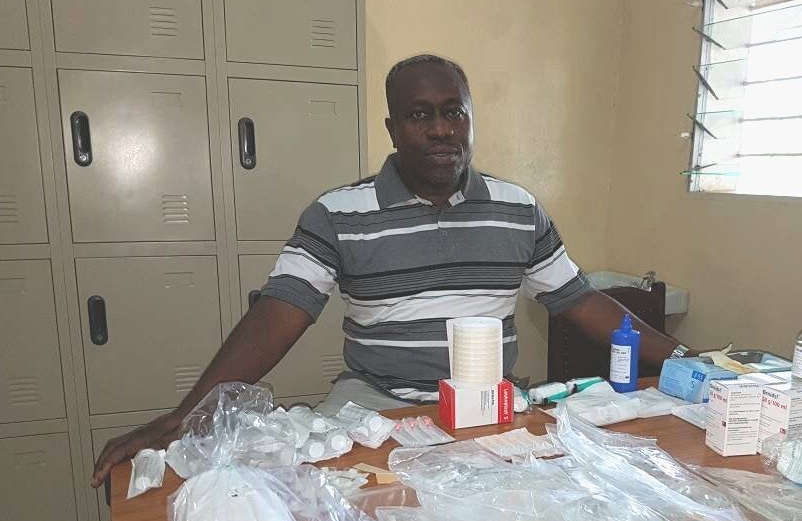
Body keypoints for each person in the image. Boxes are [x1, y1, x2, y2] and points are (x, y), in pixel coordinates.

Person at [91, 54, 700, 486]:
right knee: (327, 515)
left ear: (471, 119)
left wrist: (690, 364)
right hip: (373, 405)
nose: (440, 130)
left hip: (488, 407)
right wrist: (186, 415)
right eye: (419, 115)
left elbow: (581, 303)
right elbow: (277, 317)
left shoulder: (518, 210)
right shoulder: (338, 214)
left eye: (454, 112)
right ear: (392, 127)